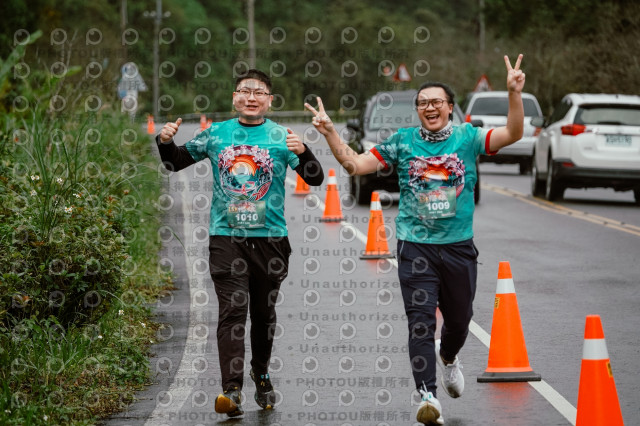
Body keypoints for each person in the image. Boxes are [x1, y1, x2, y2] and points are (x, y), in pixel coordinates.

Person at [306, 55, 526, 425]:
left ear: (450, 107)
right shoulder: (402, 142)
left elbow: (513, 133)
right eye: (423, 103)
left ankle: (449, 357)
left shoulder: (468, 137)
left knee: (460, 320)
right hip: (415, 248)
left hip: (458, 247)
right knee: (420, 323)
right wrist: (329, 132)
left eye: (437, 101)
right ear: (417, 110)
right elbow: (355, 165)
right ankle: (428, 396)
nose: (430, 108)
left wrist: (514, 94)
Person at [156, 69, 324, 417]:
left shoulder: (281, 136)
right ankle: (231, 390)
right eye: (245, 91)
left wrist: (305, 151)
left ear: (269, 101)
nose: (251, 97)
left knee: (263, 315)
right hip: (226, 238)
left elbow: (315, 177)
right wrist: (165, 141)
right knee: (233, 311)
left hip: (271, 240)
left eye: (259, 92)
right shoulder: (216, 133)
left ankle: (260, 372)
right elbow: (175, 162)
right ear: (235, 97)